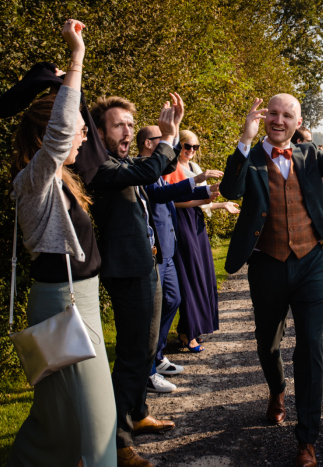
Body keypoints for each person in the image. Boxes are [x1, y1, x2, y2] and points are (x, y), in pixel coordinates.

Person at [219, 86, 323, 467]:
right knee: (268, 342)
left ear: (299, 123)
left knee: (310, 348)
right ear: (264, 118)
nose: (279, 120)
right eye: (273, 114)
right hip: (266, 264)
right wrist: (244, 140)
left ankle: (307, 440)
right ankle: (277, 389)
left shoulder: (311, 154)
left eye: (287, 115)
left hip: (312, 264)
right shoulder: (248, 159)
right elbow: (229, 190)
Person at [8, 19, 117, 467]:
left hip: (80, 300)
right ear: (45, 138)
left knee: (57, 419)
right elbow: (60, 132)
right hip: (63, 304)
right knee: (99, 424)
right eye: (77, 130)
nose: (84, 134)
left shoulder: (68, 179)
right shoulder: (33, 182)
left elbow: (89, 145)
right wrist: (76, 58)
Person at [89, 93, 179, 466]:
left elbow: (149, 174)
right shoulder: (100, 167)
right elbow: (149, 170)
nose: (127, 130)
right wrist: (169, 137)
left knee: (147, 346)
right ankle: (118, 441)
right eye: (118, 125)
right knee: (131, 355)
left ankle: (138, 413)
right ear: (100, 132)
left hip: (145, 265)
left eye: (130, 123)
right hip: (126, 271)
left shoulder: (123, 162)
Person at [137, 125, 223, 392]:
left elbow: (171, 194)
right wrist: (199, 184)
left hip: (169, 246)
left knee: (173, 299)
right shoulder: (144, 169)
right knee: (155, 309)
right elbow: (163, 195)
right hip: (157, 250)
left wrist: (210, 194)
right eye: (164, 141)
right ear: (149, 144)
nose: (175, 150)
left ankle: (159, 355)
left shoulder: (158, 169)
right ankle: (148, 370)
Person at [163, 130, 239, 352]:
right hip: (182, 224)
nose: (191, 151)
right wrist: (204, 197)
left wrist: (221, 203)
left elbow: (200, 200)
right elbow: (172, 201)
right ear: (178, 146)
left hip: (196, 223)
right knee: (191, 276)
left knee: (204, 275)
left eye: (195, 147)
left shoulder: (194, 169)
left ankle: (192, 329)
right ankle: (187, 333)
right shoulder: (172, 168)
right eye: (187, 146)